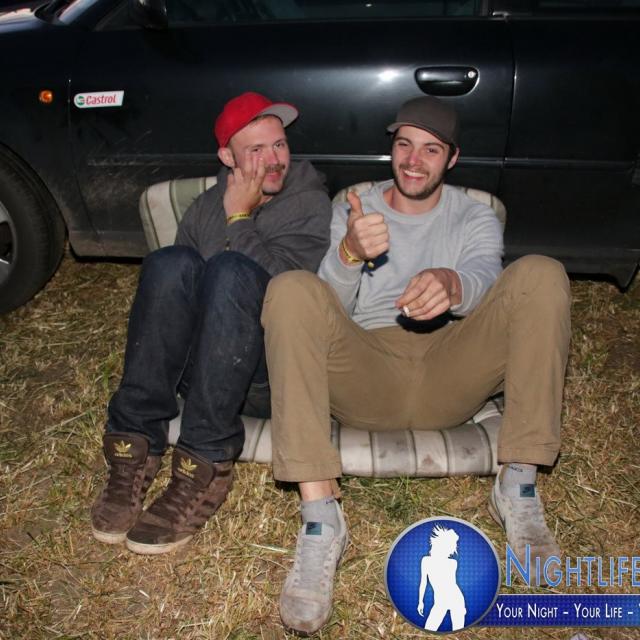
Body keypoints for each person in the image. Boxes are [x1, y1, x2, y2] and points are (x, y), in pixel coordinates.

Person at [261, 95, 571, 634]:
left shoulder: (474, 214)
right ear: (392, 149)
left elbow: (483, 275)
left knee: (542, 273)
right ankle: (320, 521)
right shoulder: (355, 206)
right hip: (368, 369)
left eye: (431, 149)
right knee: (291, 289)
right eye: (404, 144)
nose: (413, 160)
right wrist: (349, 253)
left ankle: (518, 488)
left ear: (452, 158)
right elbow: (329, 304)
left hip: (452, 368)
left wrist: (452, 284)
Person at [90, 92, 332, 555]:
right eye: (256, 150)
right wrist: (226, 212)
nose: (273, 160)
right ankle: (133, 449)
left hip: (264, 373)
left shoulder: (309, 202)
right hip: (201, 370)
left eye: (279, 145)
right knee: (170, 262)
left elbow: (285, 290)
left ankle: (202, 466)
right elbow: (179, 300)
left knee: (231, 270)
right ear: (227, 157)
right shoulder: (204, 207)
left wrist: (240, 218)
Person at [417, 525, 466, 632]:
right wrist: (420, 601)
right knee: (429, 629)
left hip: (456, 599)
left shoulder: (453, 563)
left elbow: (451, 584)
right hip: (440, 601)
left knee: (458, 631)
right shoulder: (426, 561)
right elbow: (423, 583)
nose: (452, 549)